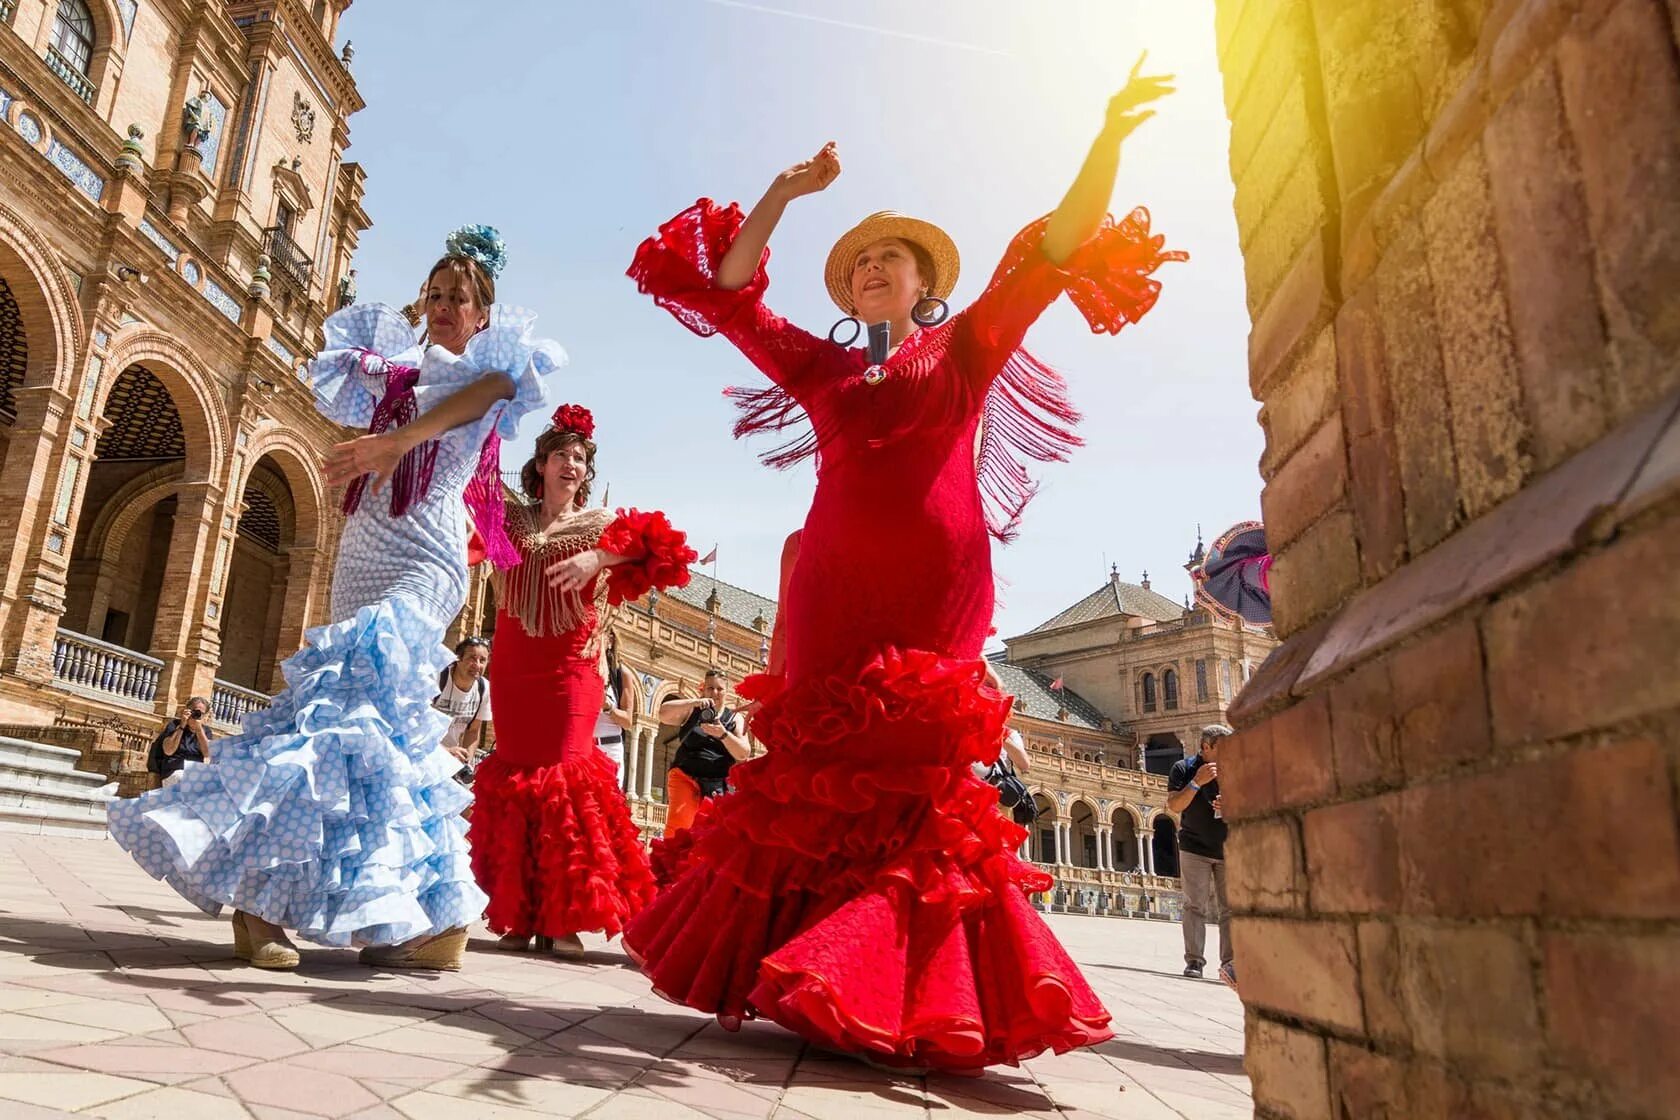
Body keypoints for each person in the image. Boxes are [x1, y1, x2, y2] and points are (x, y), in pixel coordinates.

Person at [622, 60, 1181, 1071]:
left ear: (927, 281)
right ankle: (817, 971)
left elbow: (1055, 246)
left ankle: (899, 986)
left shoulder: (966, 347)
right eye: (860, 261)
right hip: (834, 580)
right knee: (824, 777)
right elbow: (733, 292)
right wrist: (788, 194)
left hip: (938, 582)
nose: (874, 266)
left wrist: (1107, 136)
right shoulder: (826, 364)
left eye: (892, 256)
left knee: (916, 779)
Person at [109, 225, 564, 971]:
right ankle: (317, 910)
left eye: (463, 298)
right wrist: (370, 453)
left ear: (485, 314)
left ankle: (394, 908)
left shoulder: (485, 366)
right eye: (439, 293)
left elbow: (496, 391)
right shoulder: (392, 364)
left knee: (383, 709)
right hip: (366, 544)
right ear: (424, 301)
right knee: (362, 719)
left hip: (428, 548)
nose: (448, 305)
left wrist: (393, 444)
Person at [467, 403, 695, 957]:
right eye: (563, 455)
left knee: (565, 776)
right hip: (515, 665)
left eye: (581, 458)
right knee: (516, 777)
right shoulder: (508, 521)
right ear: (540, 463)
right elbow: (470, 487)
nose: (573, 464)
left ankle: (566, 915)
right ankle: (521, 914)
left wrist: (599, 558)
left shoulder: (601, 526)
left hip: (571, 669)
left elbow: (667, 549)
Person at [1166, 724, 1235, 988]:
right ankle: (1194, 960)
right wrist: (1197, 783)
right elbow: (1174, 805)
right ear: (1206, 747)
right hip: (1194, 847)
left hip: (1229, 847)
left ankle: (1229, 964)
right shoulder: (1183, 769)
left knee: (1230, 909)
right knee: (1195, 905)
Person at [659, 668, 751, 838]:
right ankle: (673, 863)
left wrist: (723, 734)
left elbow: (743, 753)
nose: (714, 692)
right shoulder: (692, 710)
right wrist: (692, 702)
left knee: (713, 834)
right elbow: (663, 714)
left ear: (727, 691)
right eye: (710, 688)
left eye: (719, 689)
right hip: (685, 776)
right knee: (679, 827)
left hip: (717, 782)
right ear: (703, 689)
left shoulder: (734, 719)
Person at [435, 636, 493, 781]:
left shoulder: (484, 689)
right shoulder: (437, 678)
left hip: (450, 763)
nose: (477, 665)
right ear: (458, 658)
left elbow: (473, 730)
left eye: (482, 660)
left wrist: (466, 761)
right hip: (423, 757)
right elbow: (414, 724)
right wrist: (444, 752)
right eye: (472, 658)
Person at [595, 628, 637, 785]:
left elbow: (627, 721)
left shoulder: (622, 675)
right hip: (585, 748)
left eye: (600, 634)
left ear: (610, 641)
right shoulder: (585, 669)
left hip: (610, 748)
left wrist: (607, 707)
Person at [146, 697, 213, 788]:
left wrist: (199, 730)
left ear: (204, 715)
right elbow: (168, 750)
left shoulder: (205, 731)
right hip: (174, 772)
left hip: (194, 774)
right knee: (183, 780)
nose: (196, 715)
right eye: (194, 711)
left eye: (200, 713)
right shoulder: (174, 725)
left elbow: (207, 754)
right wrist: (182, 725)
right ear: (188, 710)